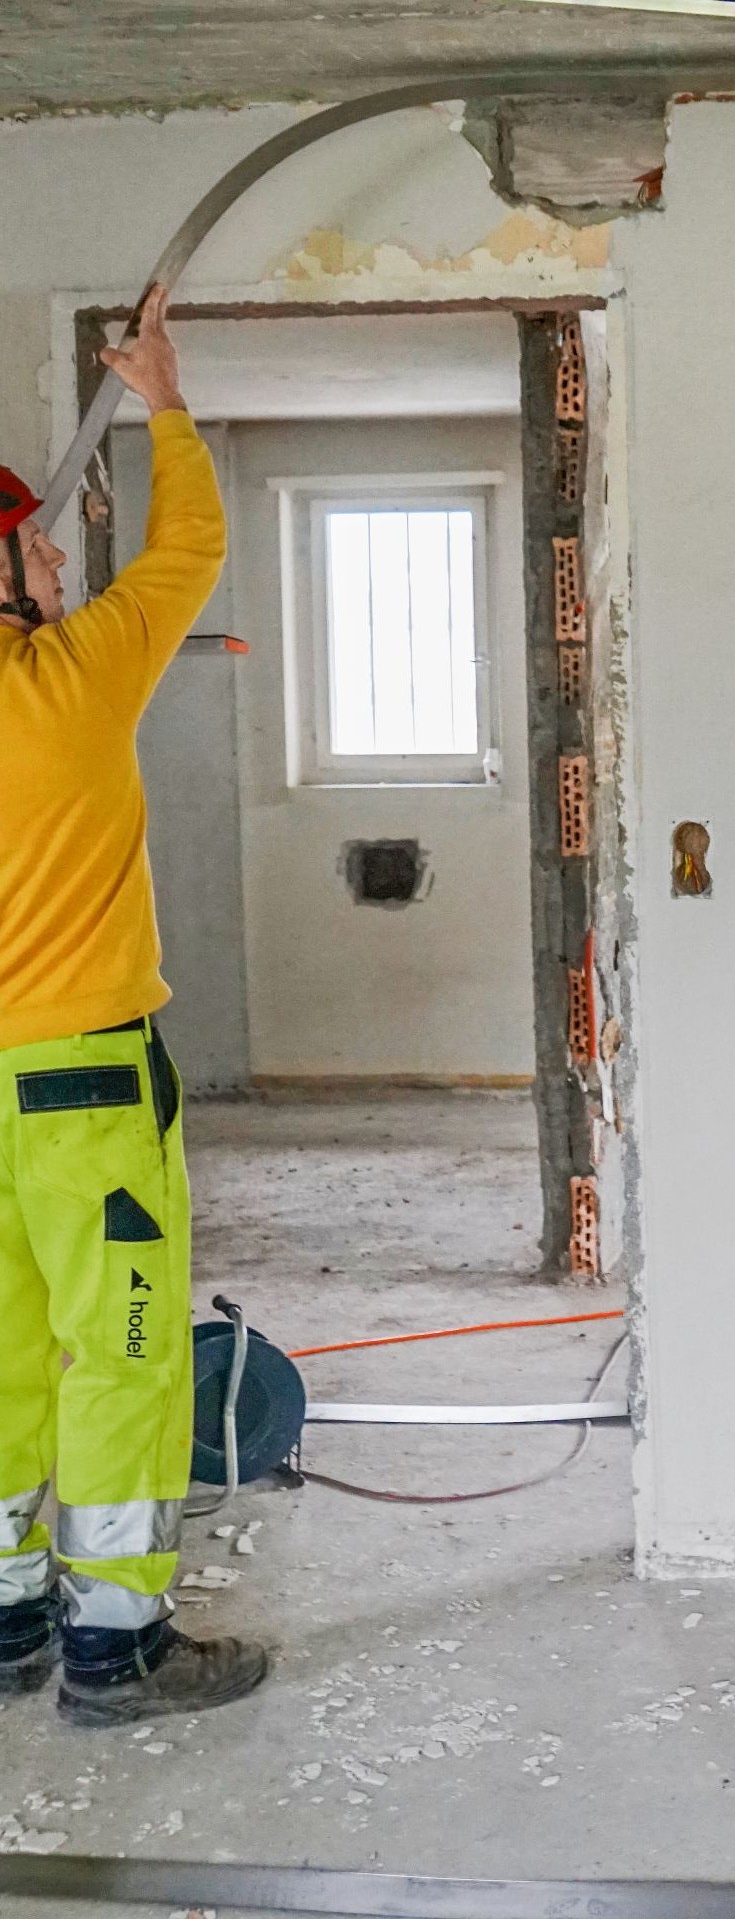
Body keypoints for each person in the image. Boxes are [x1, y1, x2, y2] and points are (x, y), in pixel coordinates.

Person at [0, 288, 266, 1725]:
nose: (46, 550)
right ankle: (115, 1646)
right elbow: (191, 550)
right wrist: (163, 396)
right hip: (82, 1093)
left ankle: (4, 1629)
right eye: (28, 540)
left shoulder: (56, 674)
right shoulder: (71, 683)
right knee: (123, 1350)